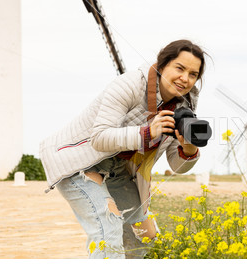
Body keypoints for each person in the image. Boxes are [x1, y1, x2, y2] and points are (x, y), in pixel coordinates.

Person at [39, 40, 208, 258]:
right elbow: (99, 137)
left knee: (144, 237)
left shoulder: (185, 106)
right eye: (179, 68)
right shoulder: (130, 84)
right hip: (78, 163)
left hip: (118, 169)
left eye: (193, 74)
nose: (185, 79)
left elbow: (177, 165)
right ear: (162, 64)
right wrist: (147, 132)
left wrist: (189, 148)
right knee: (108, 233)